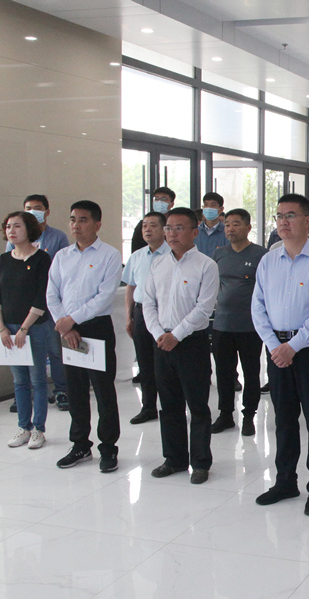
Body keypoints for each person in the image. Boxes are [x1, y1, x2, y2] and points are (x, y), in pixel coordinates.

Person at [251, 193, 309, 517]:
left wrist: (293, 347)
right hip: (276, 350)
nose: (283, 222)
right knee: (284, 420)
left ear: (307, 221)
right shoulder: (268, 260)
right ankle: (285, 481)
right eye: (279, 216)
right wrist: (275, 346)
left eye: (290, 215)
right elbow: (258, 307)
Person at [143, 207, 219, 483]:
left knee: (197, 405)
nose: (171, 233)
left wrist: (176, 334)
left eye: (178, 228)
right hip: (161, 342)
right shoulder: (158, 264)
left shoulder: (206, 265)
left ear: (194, 232)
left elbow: (204, 308)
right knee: (169, 404)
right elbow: (148, 303)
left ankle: (200, 462)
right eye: (168, 228)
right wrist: (158, 334)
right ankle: (174, 459)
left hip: (191, 343)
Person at [47, 201, 123, 472]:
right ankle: (80, 445)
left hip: (96, 328)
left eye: (82, 220)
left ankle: (108, 448)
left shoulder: (110, 255)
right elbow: (52, 294)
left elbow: (104, 297)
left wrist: (72, 320)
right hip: (68, 331)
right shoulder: (62, 256)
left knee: (103, 391)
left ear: (97, 224)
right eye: (72, 220)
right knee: (75, 389)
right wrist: (65, 325)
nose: (76, 225)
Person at [5, 194, 70, 412]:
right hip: (21, 307)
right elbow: (9, 269)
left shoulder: (57, 237)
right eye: (28, 207)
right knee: (21, 350)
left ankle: (61, 390)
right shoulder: (12, 241)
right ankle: (24, 393)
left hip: (49, 304)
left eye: (37, 207)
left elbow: (63, 269)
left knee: (54, 349)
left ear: (47, 211)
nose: (33, 211)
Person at [0, 211, 52, 449]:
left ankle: (38, 429)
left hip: (34, 327)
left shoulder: (41, 259)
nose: (11, 230)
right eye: (8, 226)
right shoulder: (3, 260)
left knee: (38, 380)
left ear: (29, 229)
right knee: (19, 381)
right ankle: (23, 427)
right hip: (9, 328)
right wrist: (2, 328)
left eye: (17, 226)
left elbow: (42, 296)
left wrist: (25, 328)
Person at [210, 208, 269, 436]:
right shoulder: (219, 255)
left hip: (250, 326)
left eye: (236, 224)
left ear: (248, 227)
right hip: (222, 325)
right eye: (227, 224)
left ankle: (249, 415)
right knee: (224, 374)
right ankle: (225, 414)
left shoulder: (261, 255)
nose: (230, 229)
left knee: (251, 373)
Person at [121, 211, 169, 425]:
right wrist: (128, 316)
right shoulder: (137, 256)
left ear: (164, 229)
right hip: (141, 313)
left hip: (164, 313)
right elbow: (130, 287)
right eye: (144, 226)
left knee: (165, 363)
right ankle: (148, 407)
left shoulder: (172, 255)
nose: (147, 229)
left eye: (153, 225)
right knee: (145, 362)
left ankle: (170, 406)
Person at [131, 187, 175, 254]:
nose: (159, 202)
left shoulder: (174, 224)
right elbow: (136, 248)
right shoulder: (143, 224)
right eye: (156, 199)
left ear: (171, 204)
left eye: (163, 199)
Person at [194, 192, 230, 258]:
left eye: (213, 205)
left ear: (221, 209)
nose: (209, 208)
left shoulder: (227, 232)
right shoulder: (194, 232)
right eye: (206, 205)